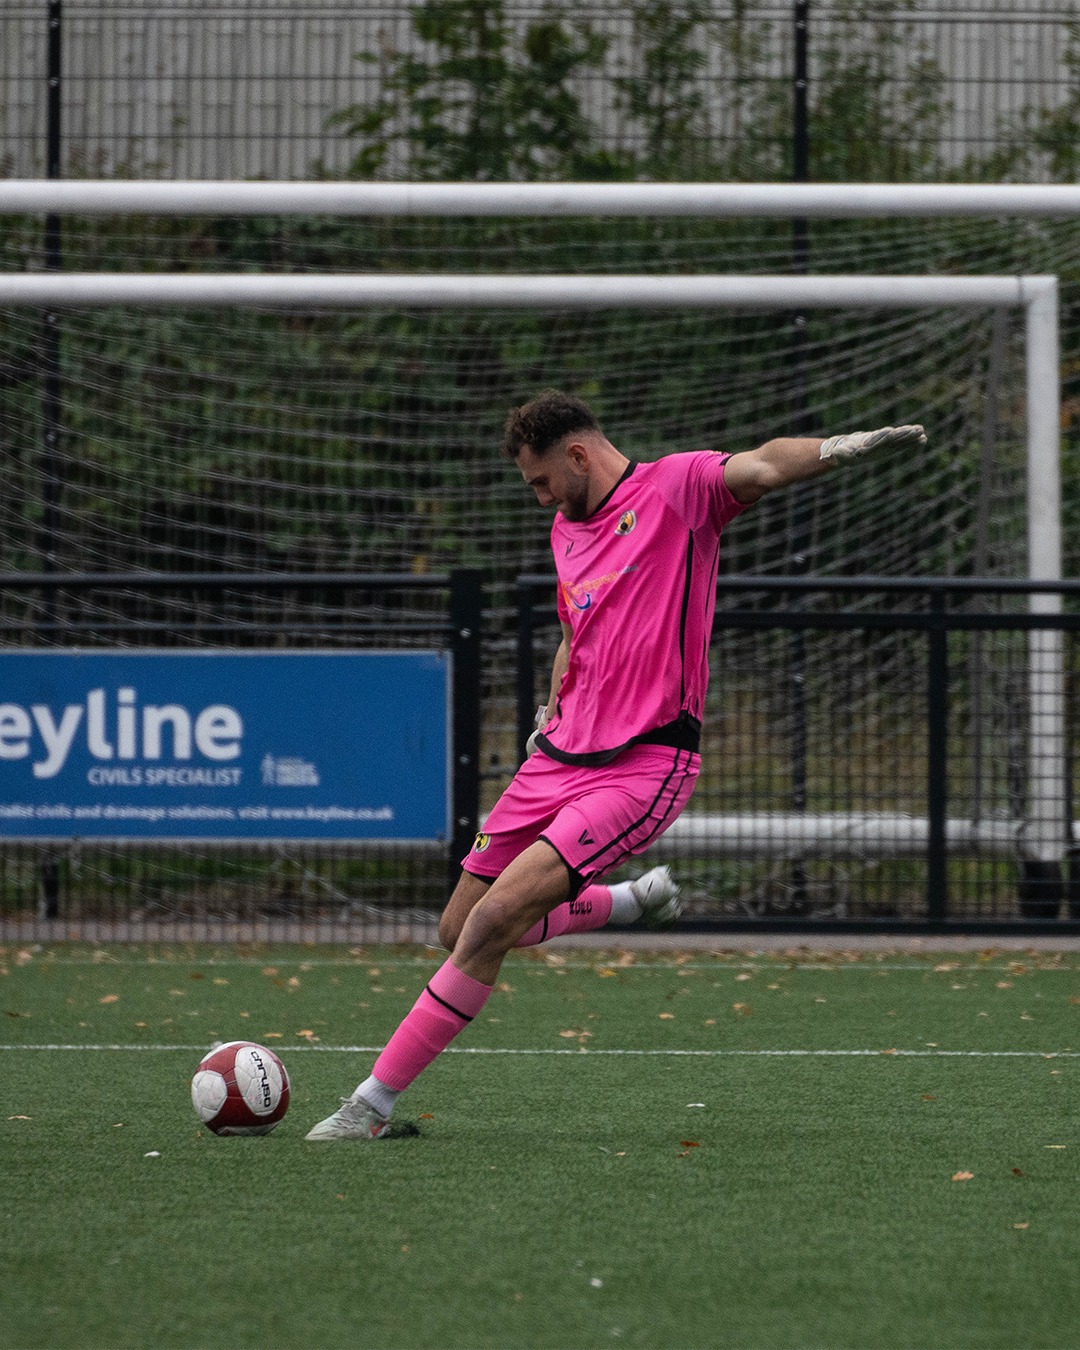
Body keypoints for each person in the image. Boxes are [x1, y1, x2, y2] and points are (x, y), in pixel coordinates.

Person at [307, 390, 925, 1140]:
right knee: (458, 927)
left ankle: (369, 1107)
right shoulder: (564, 530)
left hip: (644, 764)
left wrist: (835, 446)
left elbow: (762, 465)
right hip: (559, 754)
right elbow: (580, 627)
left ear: (576, 455)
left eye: (539, 481)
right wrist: (549, 707)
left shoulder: (677, 489)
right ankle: (629, 903)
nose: (537, 497)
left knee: (497, 919)